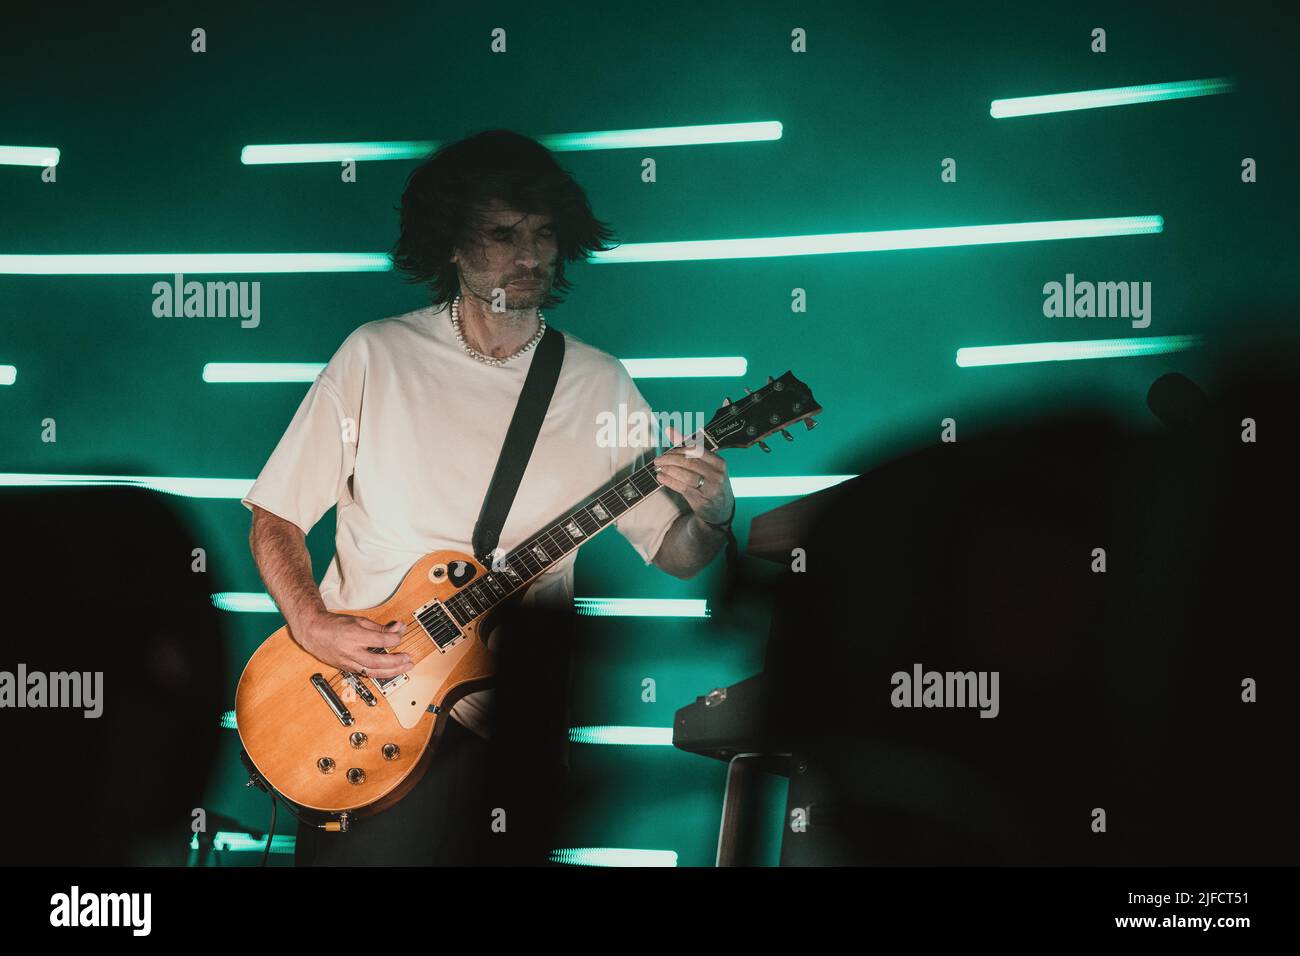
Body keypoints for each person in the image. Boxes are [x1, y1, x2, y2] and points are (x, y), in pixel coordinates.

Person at [242, 129, 736, 865]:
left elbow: (677, 554)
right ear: (449, 243)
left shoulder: (596, 383)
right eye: (502, 234)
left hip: (511, 731)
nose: (530, 254)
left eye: (543, 234)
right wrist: (312, 625)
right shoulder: (377, 354)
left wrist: (715, 515)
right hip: (360, 715)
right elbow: (275, 516)